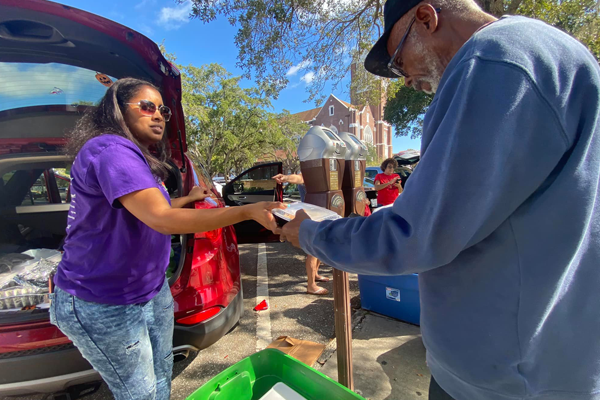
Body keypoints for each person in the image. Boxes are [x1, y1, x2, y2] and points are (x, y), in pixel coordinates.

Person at [278, 0, 600, 398]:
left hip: (501, 380)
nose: (405, 79)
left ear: (427, 18)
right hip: (552, 362)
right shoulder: (559, 54)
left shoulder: (493, 61)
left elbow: (414, 234)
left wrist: (311, 233)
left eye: (398, 60)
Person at [50, 78, 284, 400]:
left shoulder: (136, 157)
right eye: (147, 107)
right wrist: (246, 212)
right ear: (118, 111)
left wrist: (189, 199)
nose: (158, 115)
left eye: (162, 109)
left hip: (150, 289)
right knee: (141, 393)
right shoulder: (110, 150)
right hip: (104, 300)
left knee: (162, 373)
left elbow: (153, 207)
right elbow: (161, 219)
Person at [273, 173, 330, 295]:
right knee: (312, 251)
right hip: (311, 216)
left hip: (323, 215)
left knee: (319, 248)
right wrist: (286, 178)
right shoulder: (313, 169)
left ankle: (315, 274)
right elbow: (301, 178)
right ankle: (311, 285)